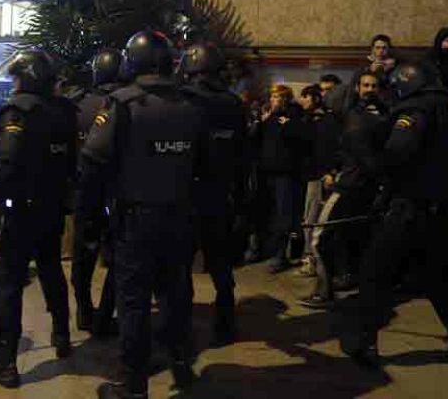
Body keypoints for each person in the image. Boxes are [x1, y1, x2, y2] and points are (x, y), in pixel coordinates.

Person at [79, 31, 203, 399]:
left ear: (133, 63)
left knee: (132, 301)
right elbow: (207, 166)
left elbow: (93, 160)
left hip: (136, 220)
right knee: (175, 292)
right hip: (180, 216)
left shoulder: (123, 104)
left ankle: (133, 385)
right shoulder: (191, 105)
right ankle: (181, 362)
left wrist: (89, 219)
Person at [341, 63, 448, 380]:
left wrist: (367, 154)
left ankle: (366, 345)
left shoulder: (414, 112)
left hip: (406, 211)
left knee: (374, 276)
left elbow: (396, 156)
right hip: (435, 212)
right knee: (440, 283)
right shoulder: (446, 112)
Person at [0, 50, 77, 388]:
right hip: (52, 206)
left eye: (17, 76)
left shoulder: (18, 111)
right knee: (51, 269)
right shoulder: (65, 111)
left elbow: (8, 161)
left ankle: (5, 362)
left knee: (6, 281)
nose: (14, 82)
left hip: (21, 209)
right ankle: (62, 335)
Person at [300, 73, 389, 308]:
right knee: (352, 239)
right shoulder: (366, 118)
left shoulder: (357, 122)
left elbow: (366, 160)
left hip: (351, 186)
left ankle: (324, 290)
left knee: (320, 236)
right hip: (360, 185)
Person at [180, 42, 245, 345]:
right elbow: (244, 154)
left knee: (181, 263)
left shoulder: (184, 100)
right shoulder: (232, 103)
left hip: (187, 194)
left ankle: (182, 325)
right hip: (221, 193)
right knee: (220, 263)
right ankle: (226, 321)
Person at [69, 48, 123, 336]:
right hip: (118, 192)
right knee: (117, 255)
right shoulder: (126, 103)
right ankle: (104, 315)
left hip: (83, 190)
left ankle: (83, 309)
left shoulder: (77, 104)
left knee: (83, 253)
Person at [255, 84, 306, 273]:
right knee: (267, 213)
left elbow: (300, 141)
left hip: (285, 174)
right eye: (274, 96)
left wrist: (288, 125)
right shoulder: (267, 118)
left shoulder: (293, 118)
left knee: (283, 215)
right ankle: (264, 249)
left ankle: (280, 254)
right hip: (266, 172)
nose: (276, 100)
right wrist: (261, 121)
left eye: (280, 97)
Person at [294, 84, 339, 278]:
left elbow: (328, 149)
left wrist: (329, 171)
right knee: (308, 218)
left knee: (312, 220)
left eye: (305, 97)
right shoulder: (308, 120)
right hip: (308, 175)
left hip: (318, 177)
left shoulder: (327, 121)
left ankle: (311, 260)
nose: (302, 101)